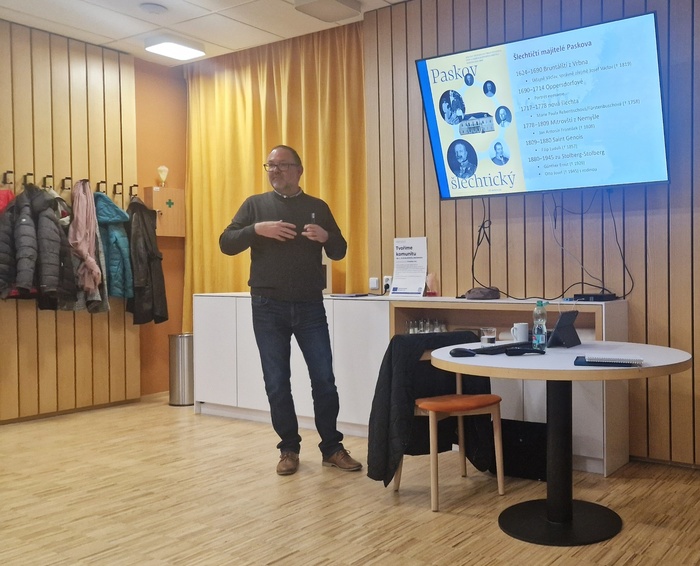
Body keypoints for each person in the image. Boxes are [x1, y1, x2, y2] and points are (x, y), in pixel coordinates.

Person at [219, 145, 362, 476]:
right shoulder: (255, 205)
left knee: (324, 379)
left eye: (282, 165)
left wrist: (326, 236)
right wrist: (256, 229)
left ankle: (332, 448)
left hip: (310, 305)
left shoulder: (317, 207)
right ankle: (288, 448)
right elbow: (226, 243)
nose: (275, 170)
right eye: (270, 165)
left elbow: (339, 250)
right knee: (276, 381)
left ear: (299, 170)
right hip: (267, 306)